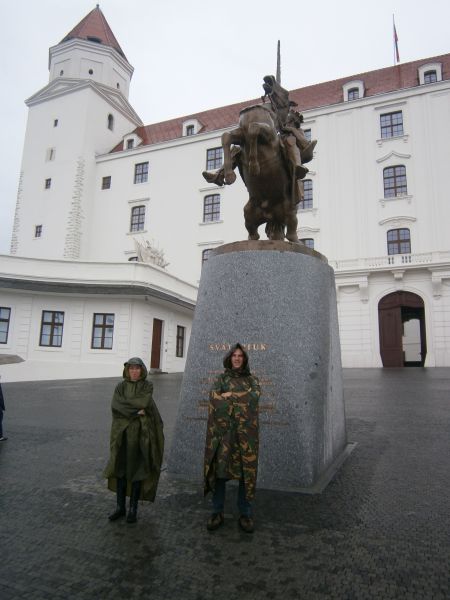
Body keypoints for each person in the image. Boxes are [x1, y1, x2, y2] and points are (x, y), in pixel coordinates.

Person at [204, 343, 261, 533]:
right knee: (221, 472)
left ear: (244, 359)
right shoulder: (221, 379)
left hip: (245, 435)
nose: (237, 358)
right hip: (225, 435)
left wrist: (231, 396)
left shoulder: (252, 379)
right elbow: (214, 398)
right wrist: (234, 400)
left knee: (245, 473)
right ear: (230, 358)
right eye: (234, 355)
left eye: (240, 356)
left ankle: (245, 513)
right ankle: (216, 511)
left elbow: (254, 397)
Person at [103, 357, 164, 523]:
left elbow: (144, 402)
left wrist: (129, 407)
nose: (134, 371)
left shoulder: (147, 386)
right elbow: (116, 406)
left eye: (137, 368)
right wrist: (135, 410)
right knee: (120, 469)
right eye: (131, 368)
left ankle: (133, 509)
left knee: (137, 470)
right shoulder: (120, 386)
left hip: (140, 436)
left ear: (142, 370)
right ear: (127, 370)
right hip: (121, 434)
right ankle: (120, 507)